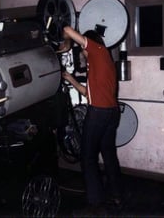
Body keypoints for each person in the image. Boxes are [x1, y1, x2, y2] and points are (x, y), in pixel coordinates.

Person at [60, 26, 123, 213]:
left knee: (87, 157)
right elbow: (88, 94)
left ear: (88, 43)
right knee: (109, 154)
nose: (81, 52)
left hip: (99, 113)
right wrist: (70, 79)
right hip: (111, 112)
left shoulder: (98, 51)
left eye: (82, 47)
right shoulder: (104, 61)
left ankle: (95, 202)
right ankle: (117, 196)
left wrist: (67, 43)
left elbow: (66, 29)